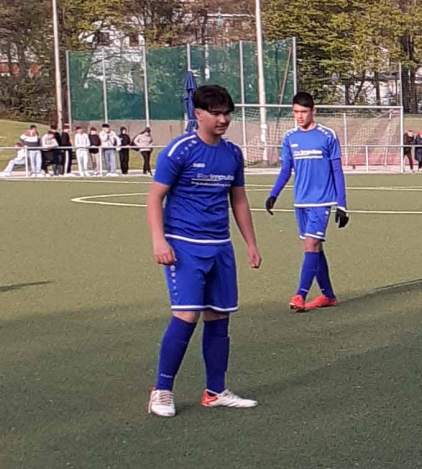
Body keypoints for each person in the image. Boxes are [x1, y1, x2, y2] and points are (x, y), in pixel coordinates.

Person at [146, 82, 261, 417]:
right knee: (186, 315)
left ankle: (215, 391)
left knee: (219, 316)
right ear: (198, 114)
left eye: (227, 113)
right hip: (184, 246)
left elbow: (238, 200)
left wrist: (250, 243)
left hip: (220, 246)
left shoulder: (233, 154)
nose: (223, 119)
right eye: (216, 113)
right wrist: (159, 240)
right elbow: (155, 198)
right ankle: (161, 391)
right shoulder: (179, 150)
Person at [265, 90, 350, 311]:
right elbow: (286, 170)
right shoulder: (289, 138)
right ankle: (328, 296)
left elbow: (337, 171)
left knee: (311, 244)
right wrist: (274, 194)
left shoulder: (327, 135)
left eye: (304, 111)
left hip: (321, 201)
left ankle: (300, 295)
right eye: (296, 112)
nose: (300, 116)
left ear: (313, 111)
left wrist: (341, 204)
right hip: (300, 201)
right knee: (316, 248)